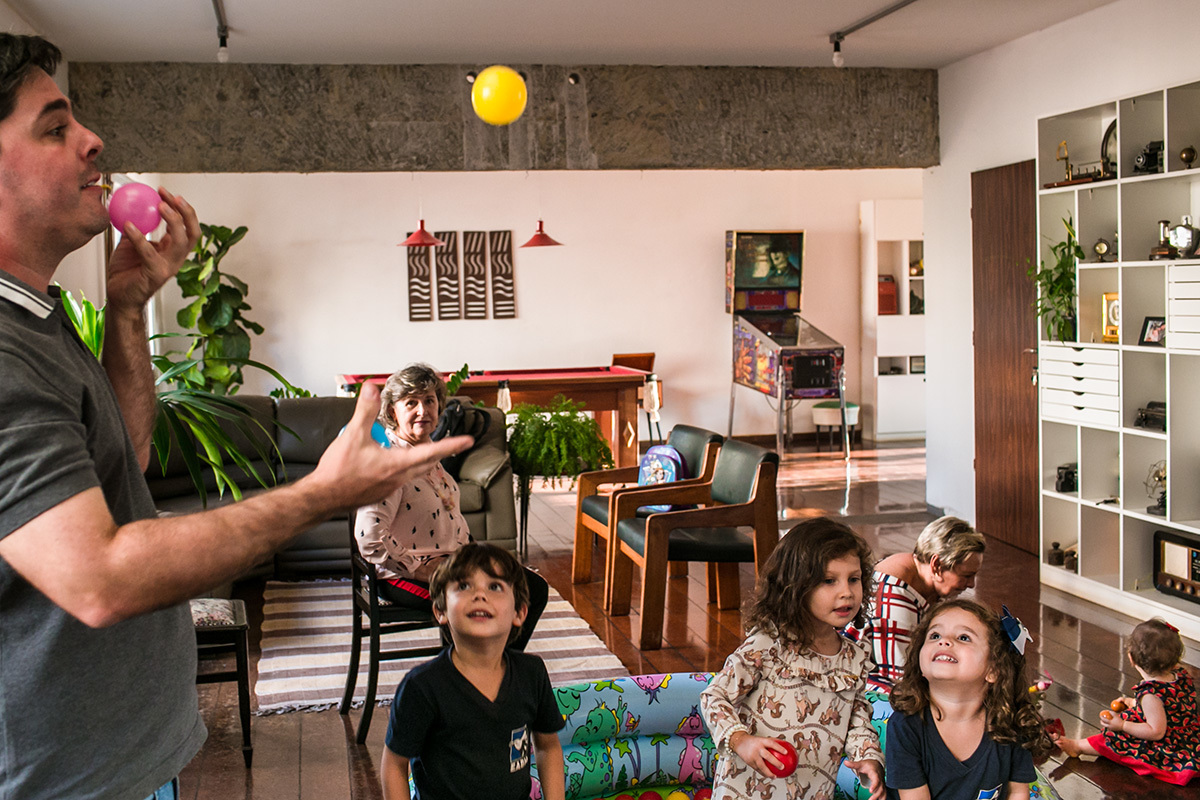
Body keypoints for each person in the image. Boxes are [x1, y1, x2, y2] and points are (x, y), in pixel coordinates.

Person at [0, 34, 471, 800]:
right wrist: (323, 491)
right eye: (54, 127)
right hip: (65, 779)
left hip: (127, 756)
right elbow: (100, 579)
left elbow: (131, 456)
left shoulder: (39, 318)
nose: (93, 141)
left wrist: (127, 309)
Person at [354, 363, 547, 649]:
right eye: (411, 403)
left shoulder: (428, 455)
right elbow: (368, 538)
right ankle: (473, 675)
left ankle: (496, 670)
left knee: (531, 587)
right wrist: (416, 567)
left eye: (429, 401)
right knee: (475, 599)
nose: (423, 410)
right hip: (401, 576)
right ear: (393, 412)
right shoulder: (391, 464)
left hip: (452, 563)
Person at [701, 518, 885, 800]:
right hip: (746, 791)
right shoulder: (768, 645)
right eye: (828, 581)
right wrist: (741, 741)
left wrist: (868, 757)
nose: (846, 591)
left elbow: (856, 718)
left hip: (812, 791)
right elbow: (714, 696)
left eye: (854, 579)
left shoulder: (854, 658)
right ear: (795, 586)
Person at [381, 543, 566, 800]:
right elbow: (394, 765)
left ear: (519, 612)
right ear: (440, 610)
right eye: (464, 586)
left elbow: (548, 747)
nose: (480, 595)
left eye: (495, 587)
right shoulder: (422, 687)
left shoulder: (531, 673)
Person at [885, 599, 1051, 800]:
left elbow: (1017, 792)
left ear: (994, 669)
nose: (944, 641)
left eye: (963, 637)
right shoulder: (905, 726)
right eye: (934, 635)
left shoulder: (1010, 723)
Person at [1054, 618, 1198, 785]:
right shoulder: (1181, 675)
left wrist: (1122, 725)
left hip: (1167, 746)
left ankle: (1078, 746)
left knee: (1115, 736)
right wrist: (1134, 704)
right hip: (1187, 735)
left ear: (1131, 659)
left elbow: (1156, 731)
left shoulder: (1151, 693)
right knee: (1129, 719)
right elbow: (1170, 707)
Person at [855, 515, 986, 690]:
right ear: (937, 565)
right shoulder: (894, 600)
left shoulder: (917, 573)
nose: (971, 584)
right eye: (966, 576)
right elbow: (899, 680)